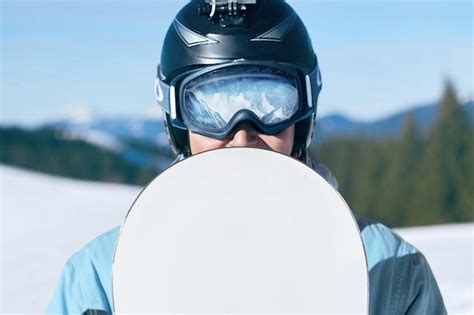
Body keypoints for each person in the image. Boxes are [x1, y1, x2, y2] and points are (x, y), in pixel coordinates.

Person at [47, 0, 446, 314]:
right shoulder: (101, 276)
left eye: (271, 101)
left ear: (302, 115)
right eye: (211, 107)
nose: (242, 133)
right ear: (178, 122)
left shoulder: (391, 270)